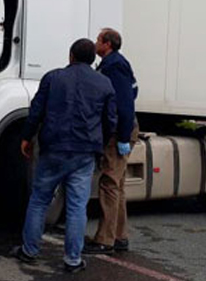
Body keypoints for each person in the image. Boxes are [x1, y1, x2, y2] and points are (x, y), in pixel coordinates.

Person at [12, 38, 118, 273]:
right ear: (93, 59)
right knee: (77, 206)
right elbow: (111, 121)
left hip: (53, 149)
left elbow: (36, 111)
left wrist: (27, 137)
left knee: (39, 200)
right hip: (84, 153)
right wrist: (98, 143)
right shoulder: (104, 84)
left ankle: (29, 250)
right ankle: (72, 259)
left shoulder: (53, 78)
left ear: (71, 55)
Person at [85, 28, 139, 255]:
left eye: (98, 40)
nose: (96, 43)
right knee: (117, 185)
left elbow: (125, 103)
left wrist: (123, 137)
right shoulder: (114, 63)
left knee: (109, 184)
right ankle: (119, 236)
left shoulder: (114, 65)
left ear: (107, 44)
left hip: (119, 131)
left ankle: (105, 240)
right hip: (121, 130)